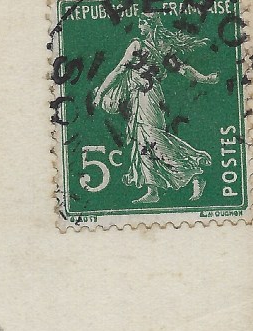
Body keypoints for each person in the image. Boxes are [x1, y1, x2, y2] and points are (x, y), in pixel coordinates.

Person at [93, 12, 218, 204]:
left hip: (150, 98)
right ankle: (153, 191)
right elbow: (120, 69)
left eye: (143, 23)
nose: (140, 27)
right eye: (140, 22)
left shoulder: (151, 47)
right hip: (138, 98)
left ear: (153, 26)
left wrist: (205, 79)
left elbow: (182, 69)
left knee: (153, 138)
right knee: (143, 141)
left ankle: (194, 174)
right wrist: (102, 92)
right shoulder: (143, 46)